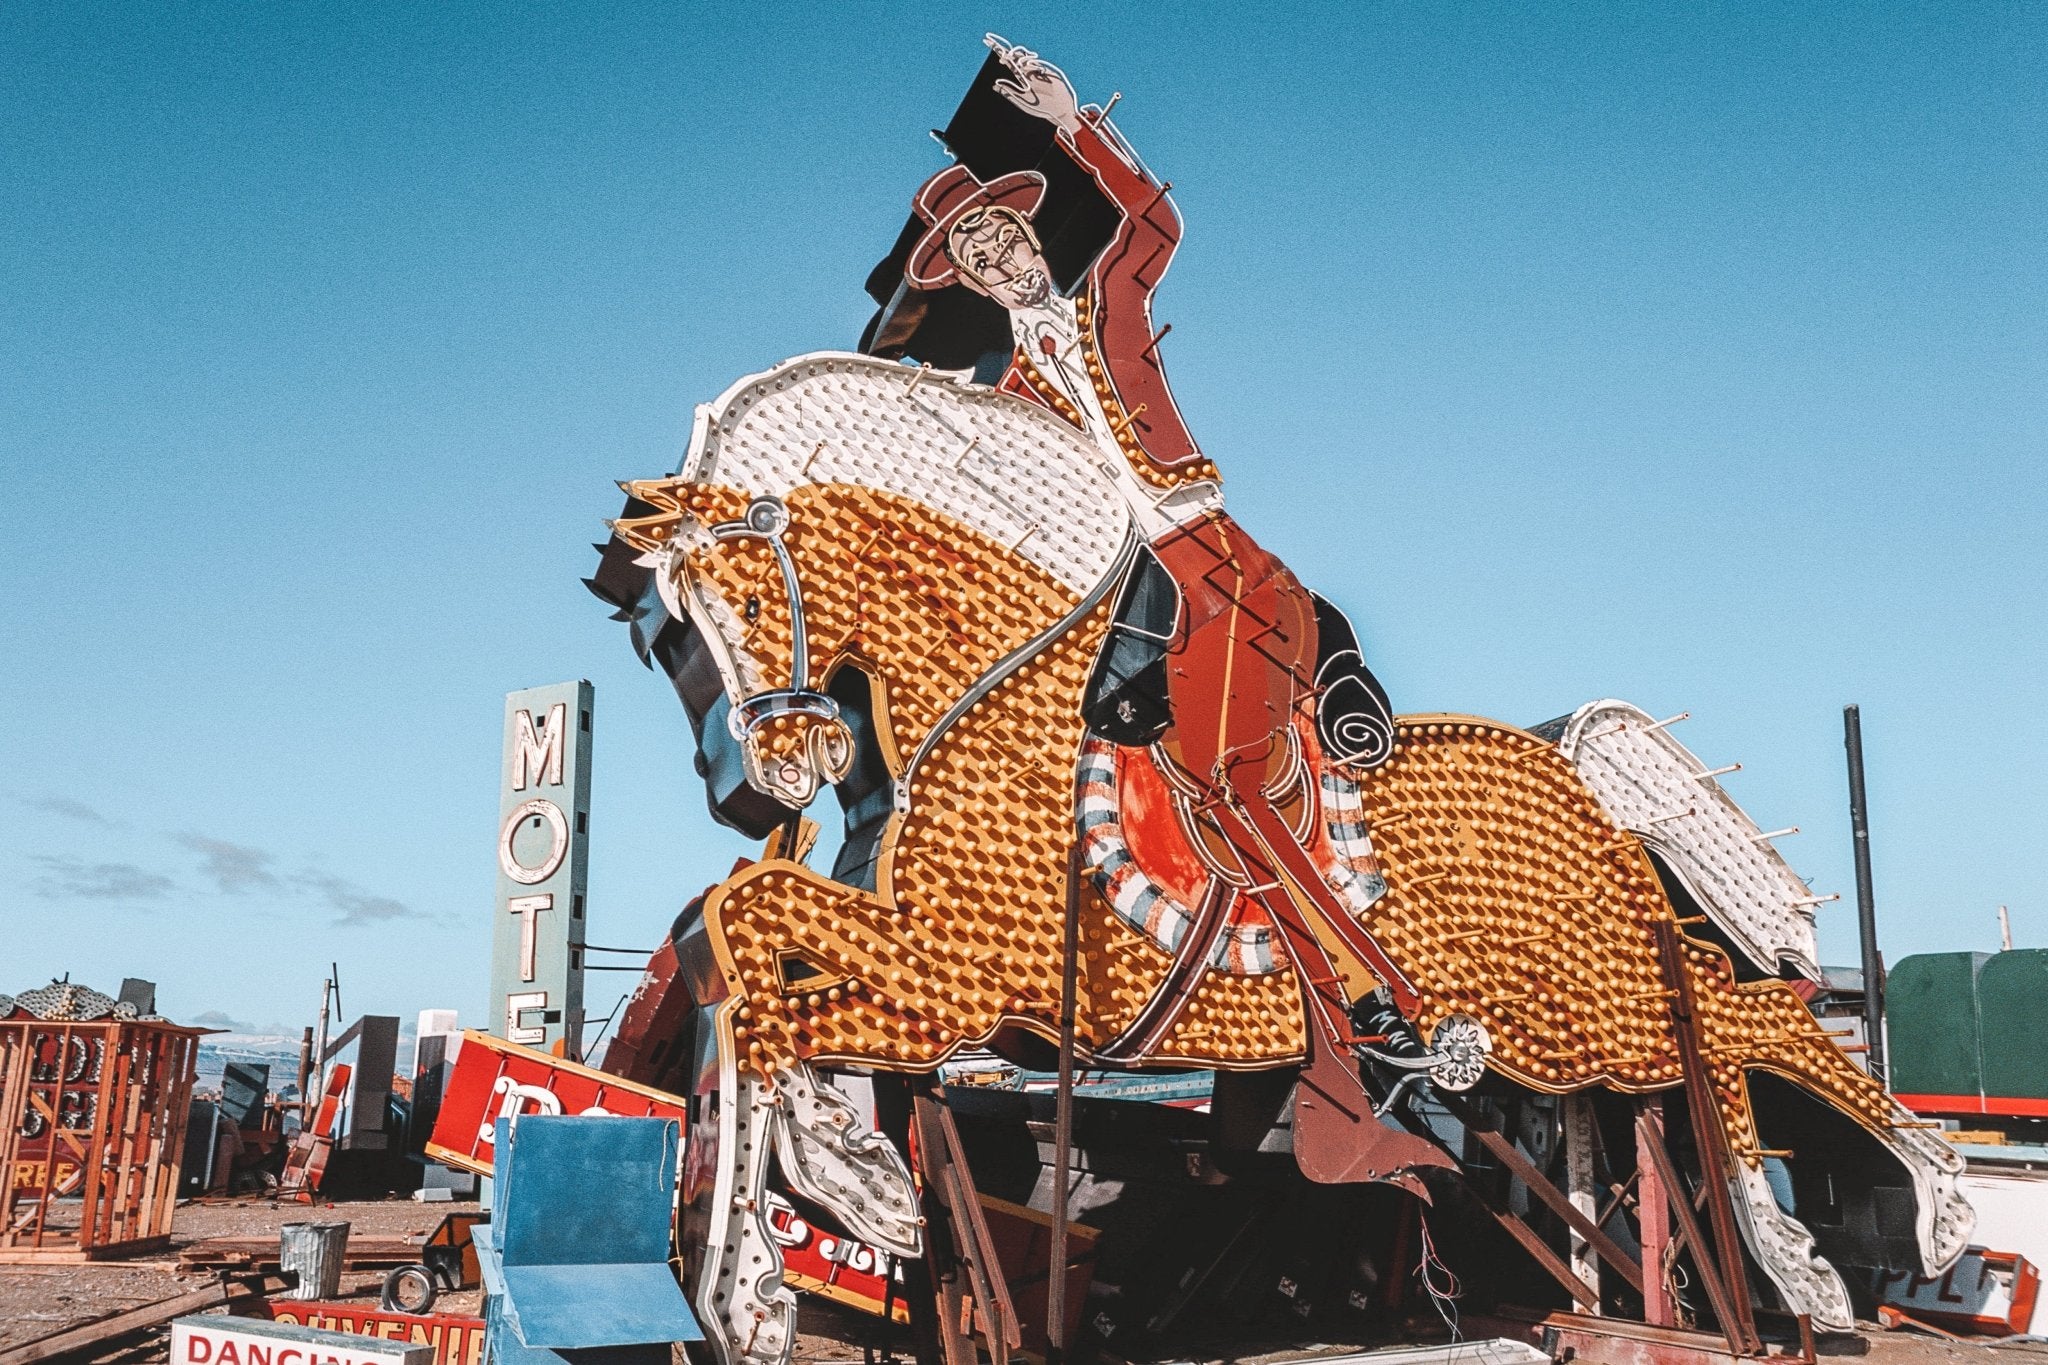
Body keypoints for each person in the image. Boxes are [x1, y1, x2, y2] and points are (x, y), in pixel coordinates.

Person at [902, 38, 1430, 1105]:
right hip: (1131, 602)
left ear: (1030, 235)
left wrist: (1069, 123)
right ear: (963, 276)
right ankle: (1058, 999)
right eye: (978, 252)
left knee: (1230, 781)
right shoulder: (1002, 401)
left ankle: (1379, 1004)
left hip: (1219, 566)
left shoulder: (1109, 306)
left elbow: (1156, 224)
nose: (1002, 259)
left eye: (1004, 234)